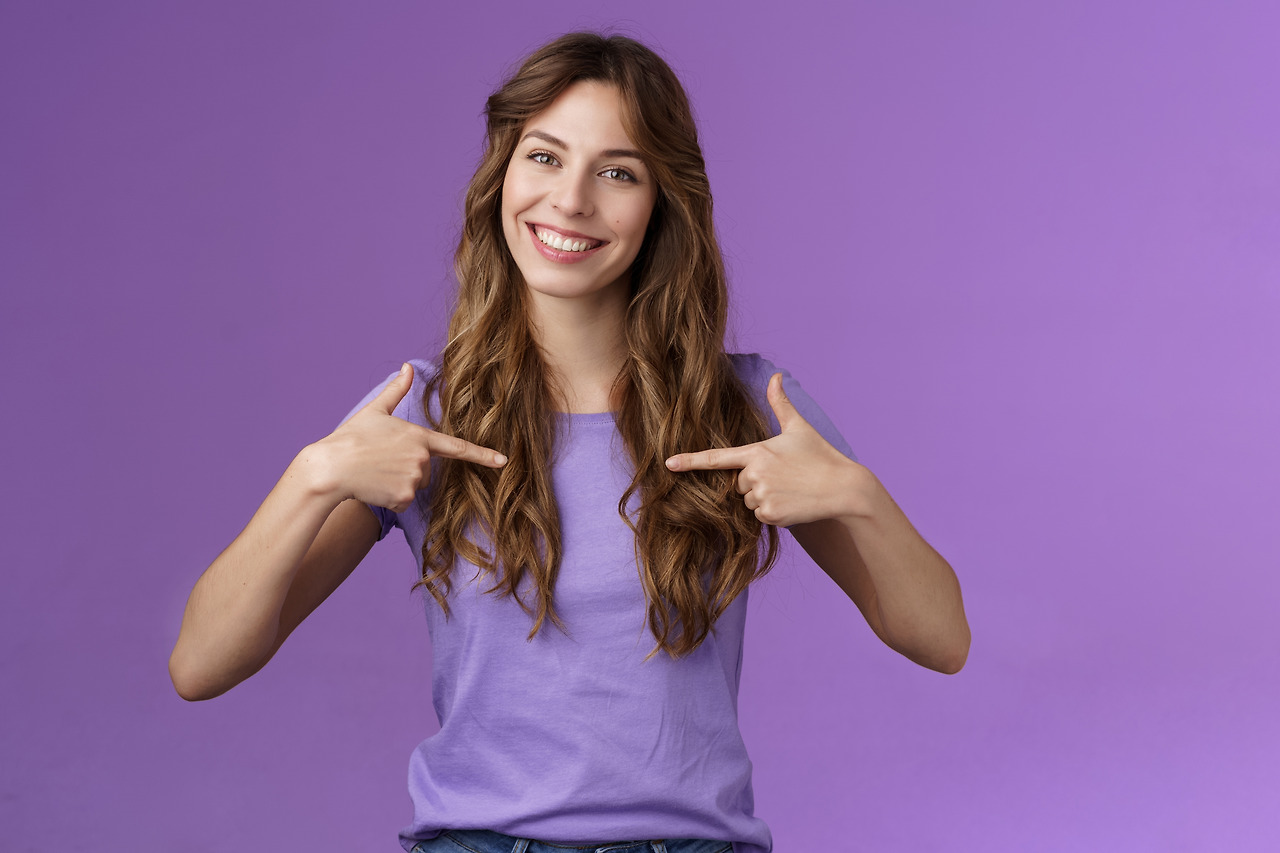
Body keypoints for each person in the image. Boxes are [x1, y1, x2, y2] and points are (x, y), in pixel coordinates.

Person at [169, 31, 969, 853]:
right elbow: (201, 664)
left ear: (663, 201)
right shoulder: (425, 410)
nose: (571, 200)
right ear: (503, 175)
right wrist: (312, 476)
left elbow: (942, 638)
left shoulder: (750, 406)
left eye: (616, 172)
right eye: (544, 157)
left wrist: (857, 496)